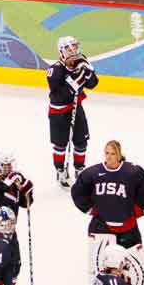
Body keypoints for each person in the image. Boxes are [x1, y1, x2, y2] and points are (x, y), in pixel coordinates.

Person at [71, 138, 144, 285]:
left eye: (113, 154)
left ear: (119, 155)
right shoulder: (94, 173)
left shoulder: (132, 172)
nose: (109, 157)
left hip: (128, 227)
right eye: (107, 153)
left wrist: (139, 211)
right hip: (101, 228)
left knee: (140, 263)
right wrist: (90, 209)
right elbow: (78, 190)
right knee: (99, 265)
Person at [46, 35, 99, 188]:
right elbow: (60, 93)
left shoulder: (81, 62)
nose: (73, 51)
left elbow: (93, 84)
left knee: (81, 141)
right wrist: (78, 77)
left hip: (77, 108)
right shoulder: (55, 69)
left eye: (75, 47)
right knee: (60, 144)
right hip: (59, 113)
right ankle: (60, 170)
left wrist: (88, 73)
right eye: (69, 49)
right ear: (62, 52)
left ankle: (79, 169)